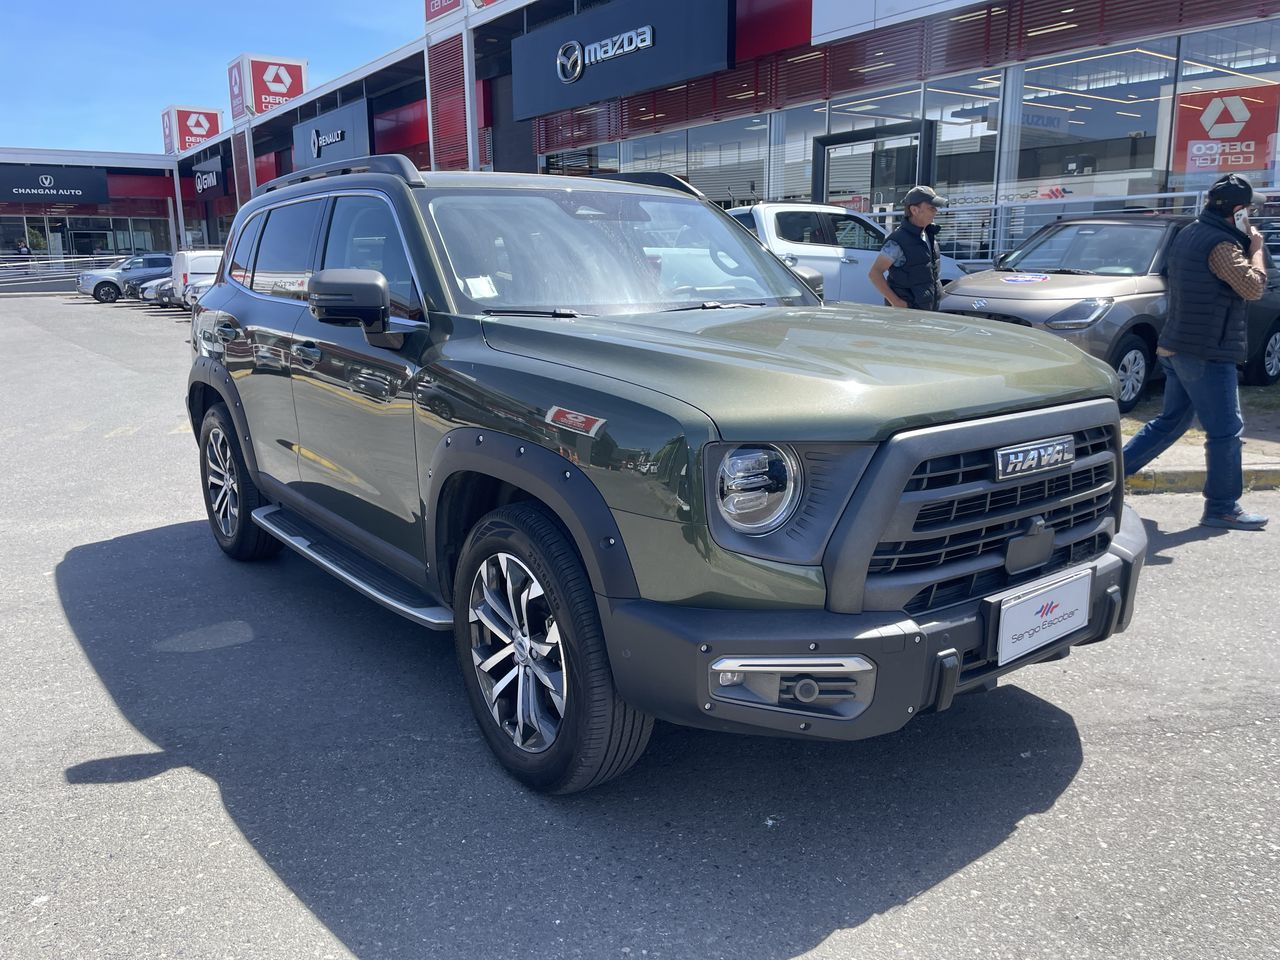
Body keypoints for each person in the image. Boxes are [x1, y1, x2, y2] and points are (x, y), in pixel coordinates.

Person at [1122, 173, 1268, 531]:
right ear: (1237, 212)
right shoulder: (1222, 245)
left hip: (1178, 344)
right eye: (1249, 210)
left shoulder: (1190, 233)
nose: (1251, 216)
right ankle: (1222, 507)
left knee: (1170, 423)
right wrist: (1257, 250)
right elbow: (1253, 288)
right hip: (1206, 352)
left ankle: (1105, 477)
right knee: (1226, 431)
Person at [868, 185, 948, 311]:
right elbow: (875, 273)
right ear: (914, 210)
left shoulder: (928, 233)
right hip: (906, 317)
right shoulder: (897, 241)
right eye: (931, 207)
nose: (935, 211)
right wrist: (897, 302)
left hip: (927, 312)